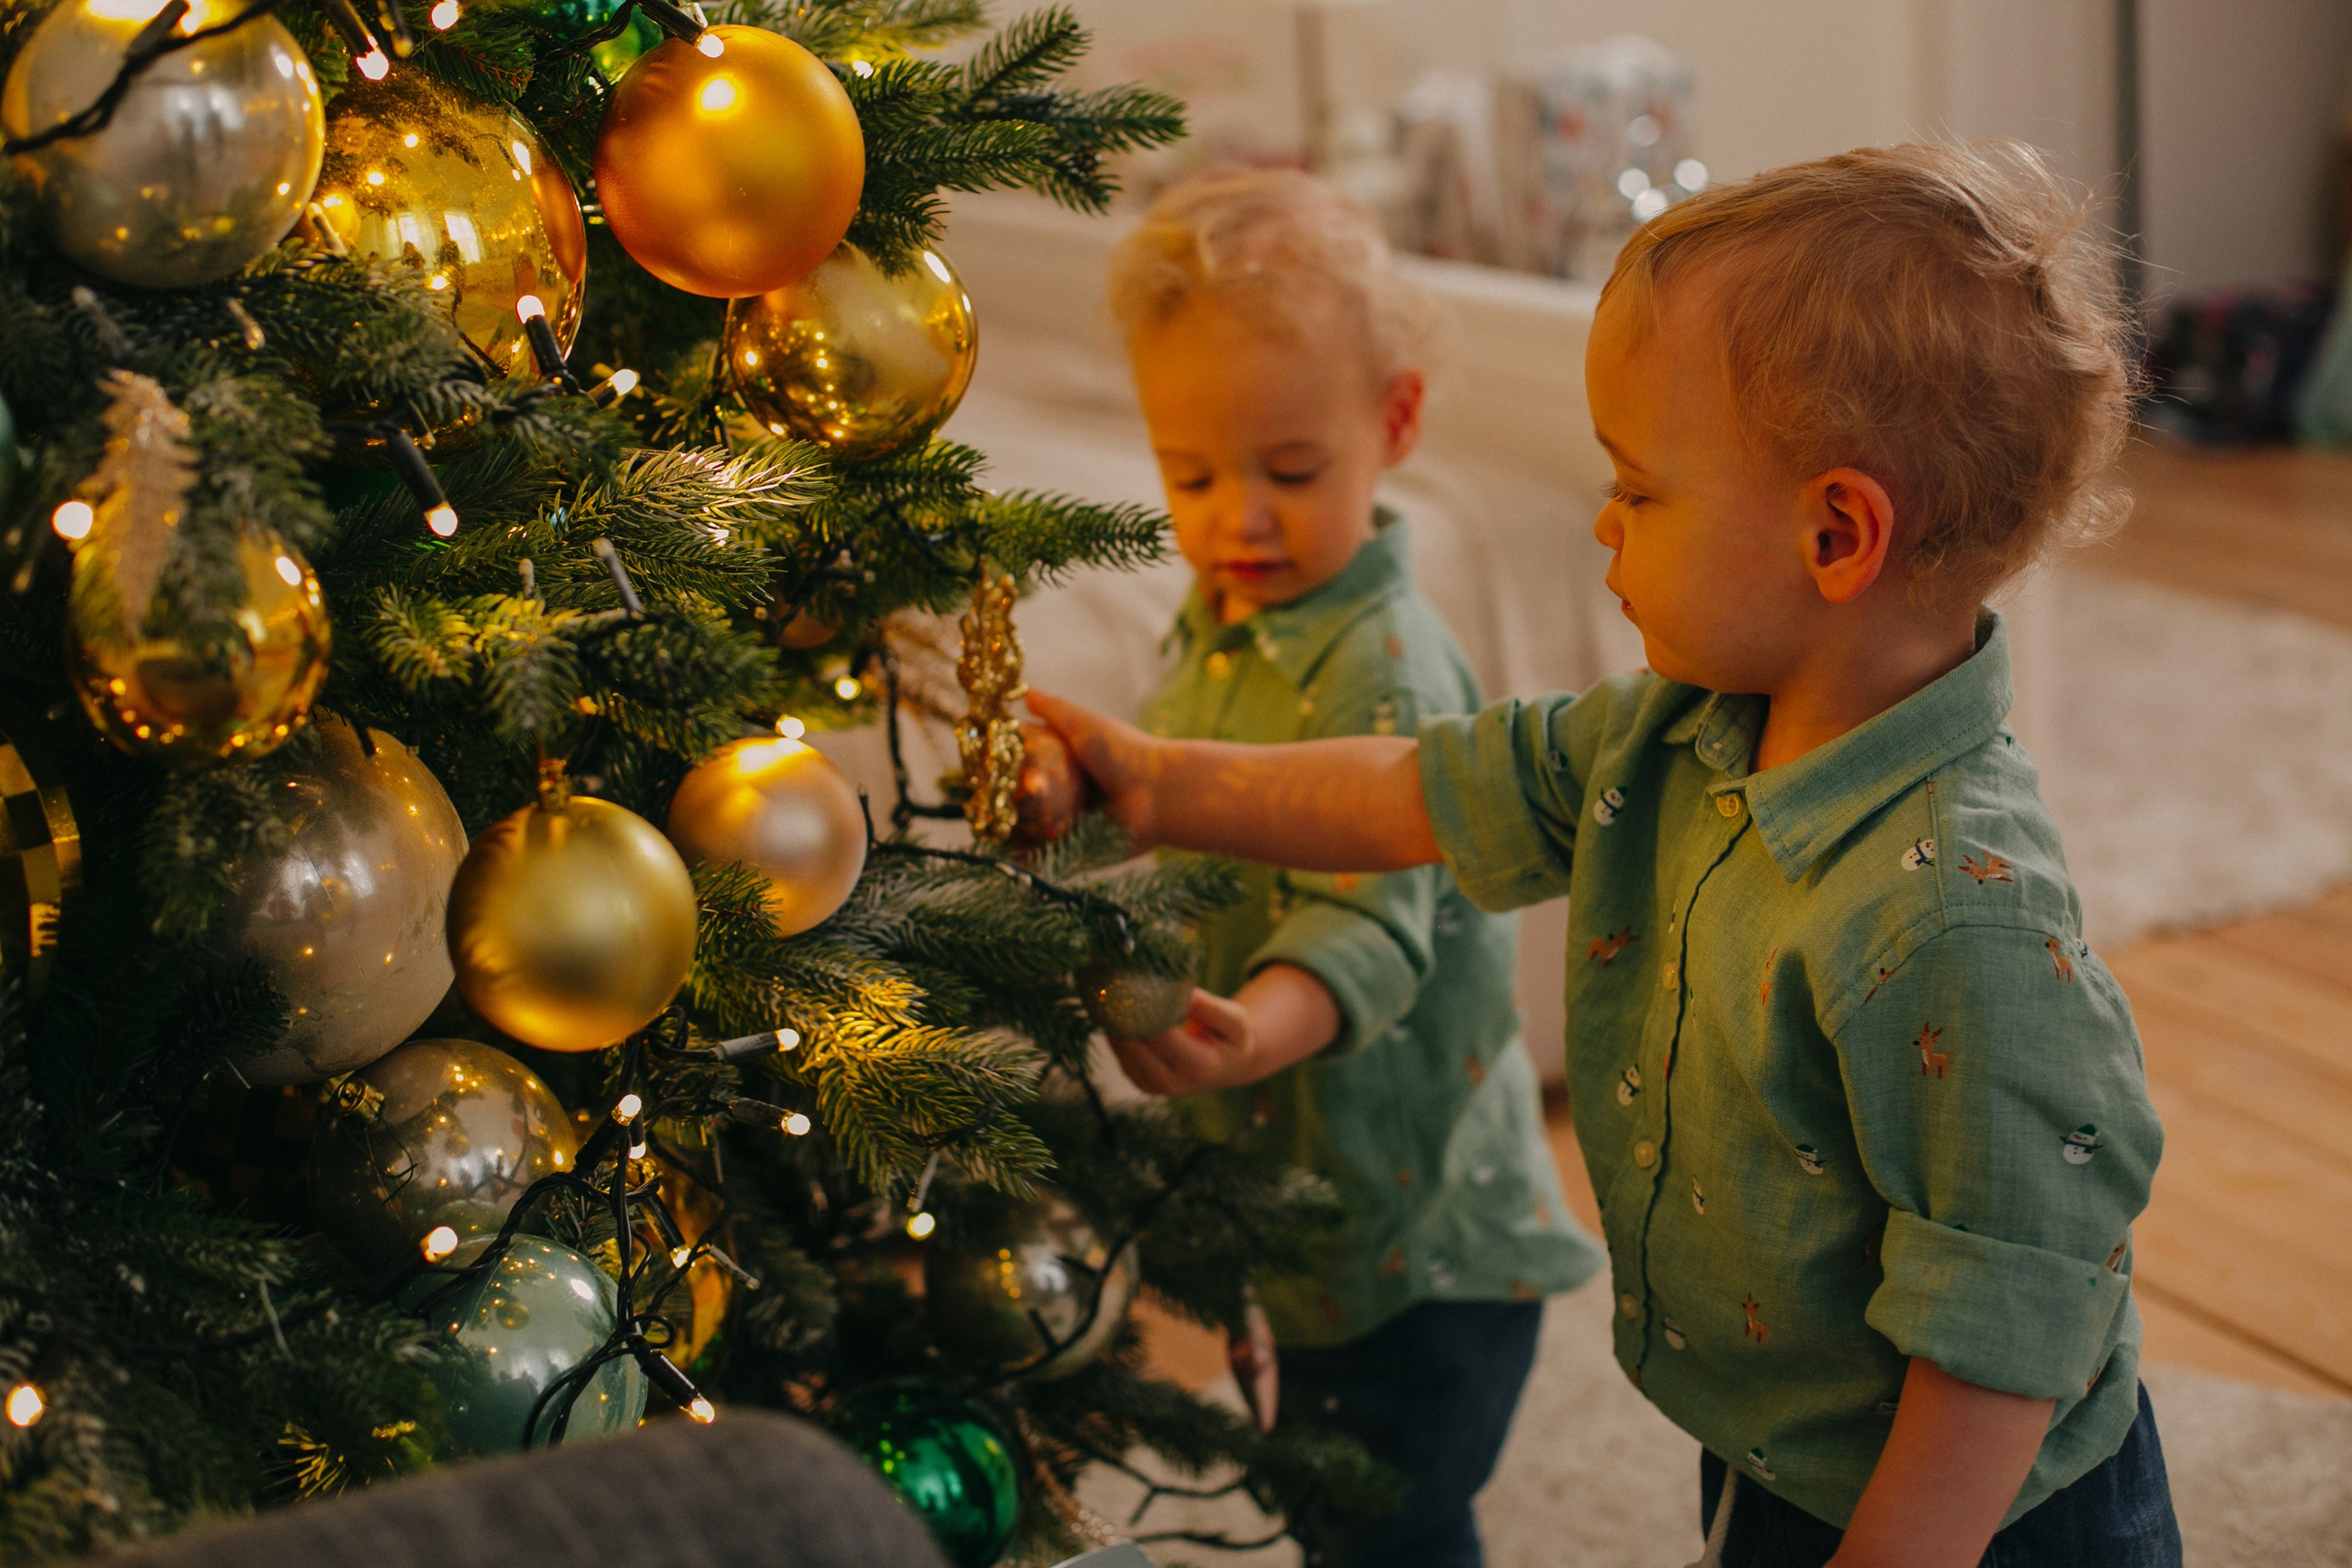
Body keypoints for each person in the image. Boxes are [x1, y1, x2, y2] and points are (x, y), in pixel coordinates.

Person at [1035, 143, 2182, 1568]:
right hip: (1790, 1441)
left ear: (1837, 533)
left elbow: (2005, 1332)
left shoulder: (1956, 917)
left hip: (1975, 1524)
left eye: (1639, 489)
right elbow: (1422, 790)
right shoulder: (1681, 729)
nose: (1602, 522)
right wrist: (1155, 784)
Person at [1096, 169, 1604, 1568]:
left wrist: (1255, 1032)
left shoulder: (1386, 669)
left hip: (1415, 1231)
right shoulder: (1221, 622)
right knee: (1327, 1495)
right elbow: (1180, 809)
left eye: (1289, 471)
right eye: (1191, 477)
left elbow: (1370, 926)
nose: (1237, 521)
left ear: (1393, 424)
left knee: (1393, 1522)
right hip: (1297, 1197)